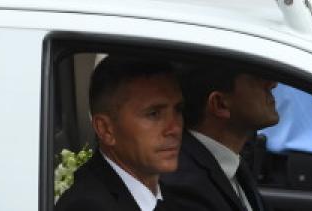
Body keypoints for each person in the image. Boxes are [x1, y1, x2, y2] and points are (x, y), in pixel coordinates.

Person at [55, 56, 184, 211]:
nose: (174, 128)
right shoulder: (86, 206)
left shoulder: (161, 194)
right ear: (106, 129)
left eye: (178, 110)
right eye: (153, 114)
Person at [163, 64, 278, 211]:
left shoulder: (230, 165)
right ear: (220, 104)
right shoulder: (186, 185)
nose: (272, 84)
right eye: (255, 77)